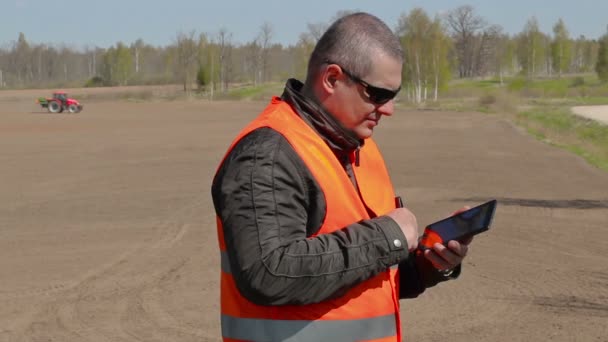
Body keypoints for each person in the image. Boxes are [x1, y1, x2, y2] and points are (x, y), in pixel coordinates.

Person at [212, 12, 472, 342]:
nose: (388, 109)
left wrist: (431, 263)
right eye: (378, 94)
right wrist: (388, 237)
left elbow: (362, 274)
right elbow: (269, 272)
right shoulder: (268, 154)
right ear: (332, 79)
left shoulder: (359, 151)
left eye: (394, 95)